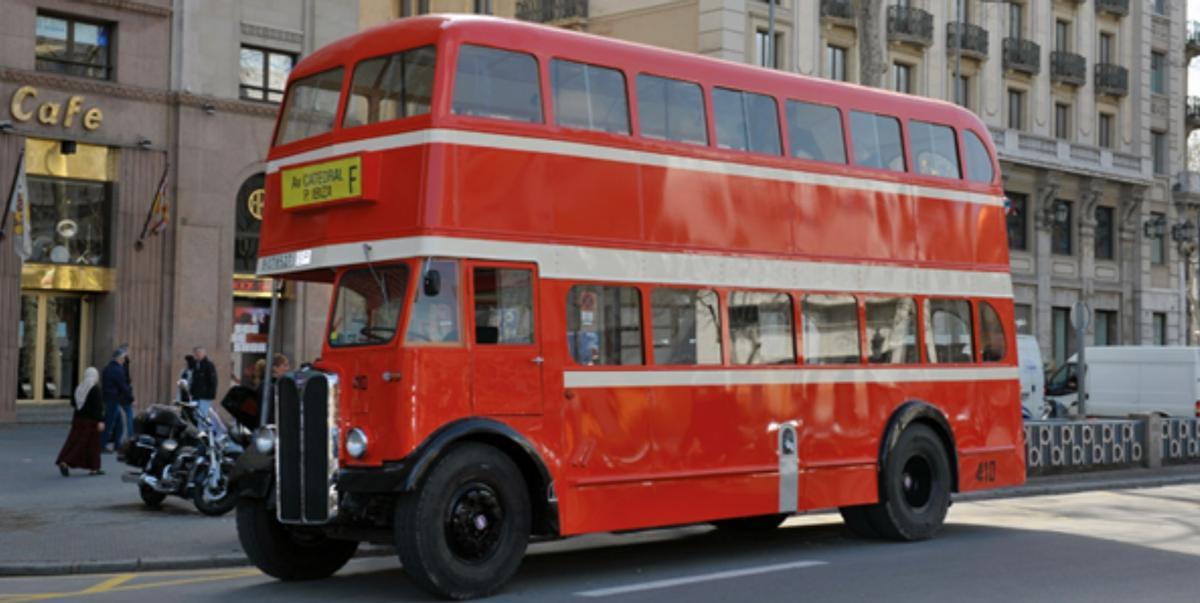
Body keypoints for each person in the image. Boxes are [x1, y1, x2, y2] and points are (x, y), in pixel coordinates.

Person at [56, 367, 105, 476]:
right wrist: (101, 421)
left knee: (74, 442)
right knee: (91, 445)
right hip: (91, 422)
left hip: (78, 420)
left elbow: (73, 403)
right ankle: (69, 463)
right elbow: (98, 407)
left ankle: (93, 467)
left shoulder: (79, 388)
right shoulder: (94, 389)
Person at [101, 346, 134, 452]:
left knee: (118, 423)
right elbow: (123, 385)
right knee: (109, 423)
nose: (124, 360)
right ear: (119, 358)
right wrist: (131, 398)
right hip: (113, 399)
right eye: (123, 358)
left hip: (109, 397)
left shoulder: (107, 368)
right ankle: (102, 445)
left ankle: (117, 444)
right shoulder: (117, 370)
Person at [189, 346, 218, 421]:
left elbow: (213, 381)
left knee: (202, 415)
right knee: (195, 415)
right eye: (196, 353)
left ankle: (202, 431)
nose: (198, 355)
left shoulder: (209, 365)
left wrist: (211, 394)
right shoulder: (195, 365)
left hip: (205, 395)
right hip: (196, 395)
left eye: (200, 353)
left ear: (204, 353)